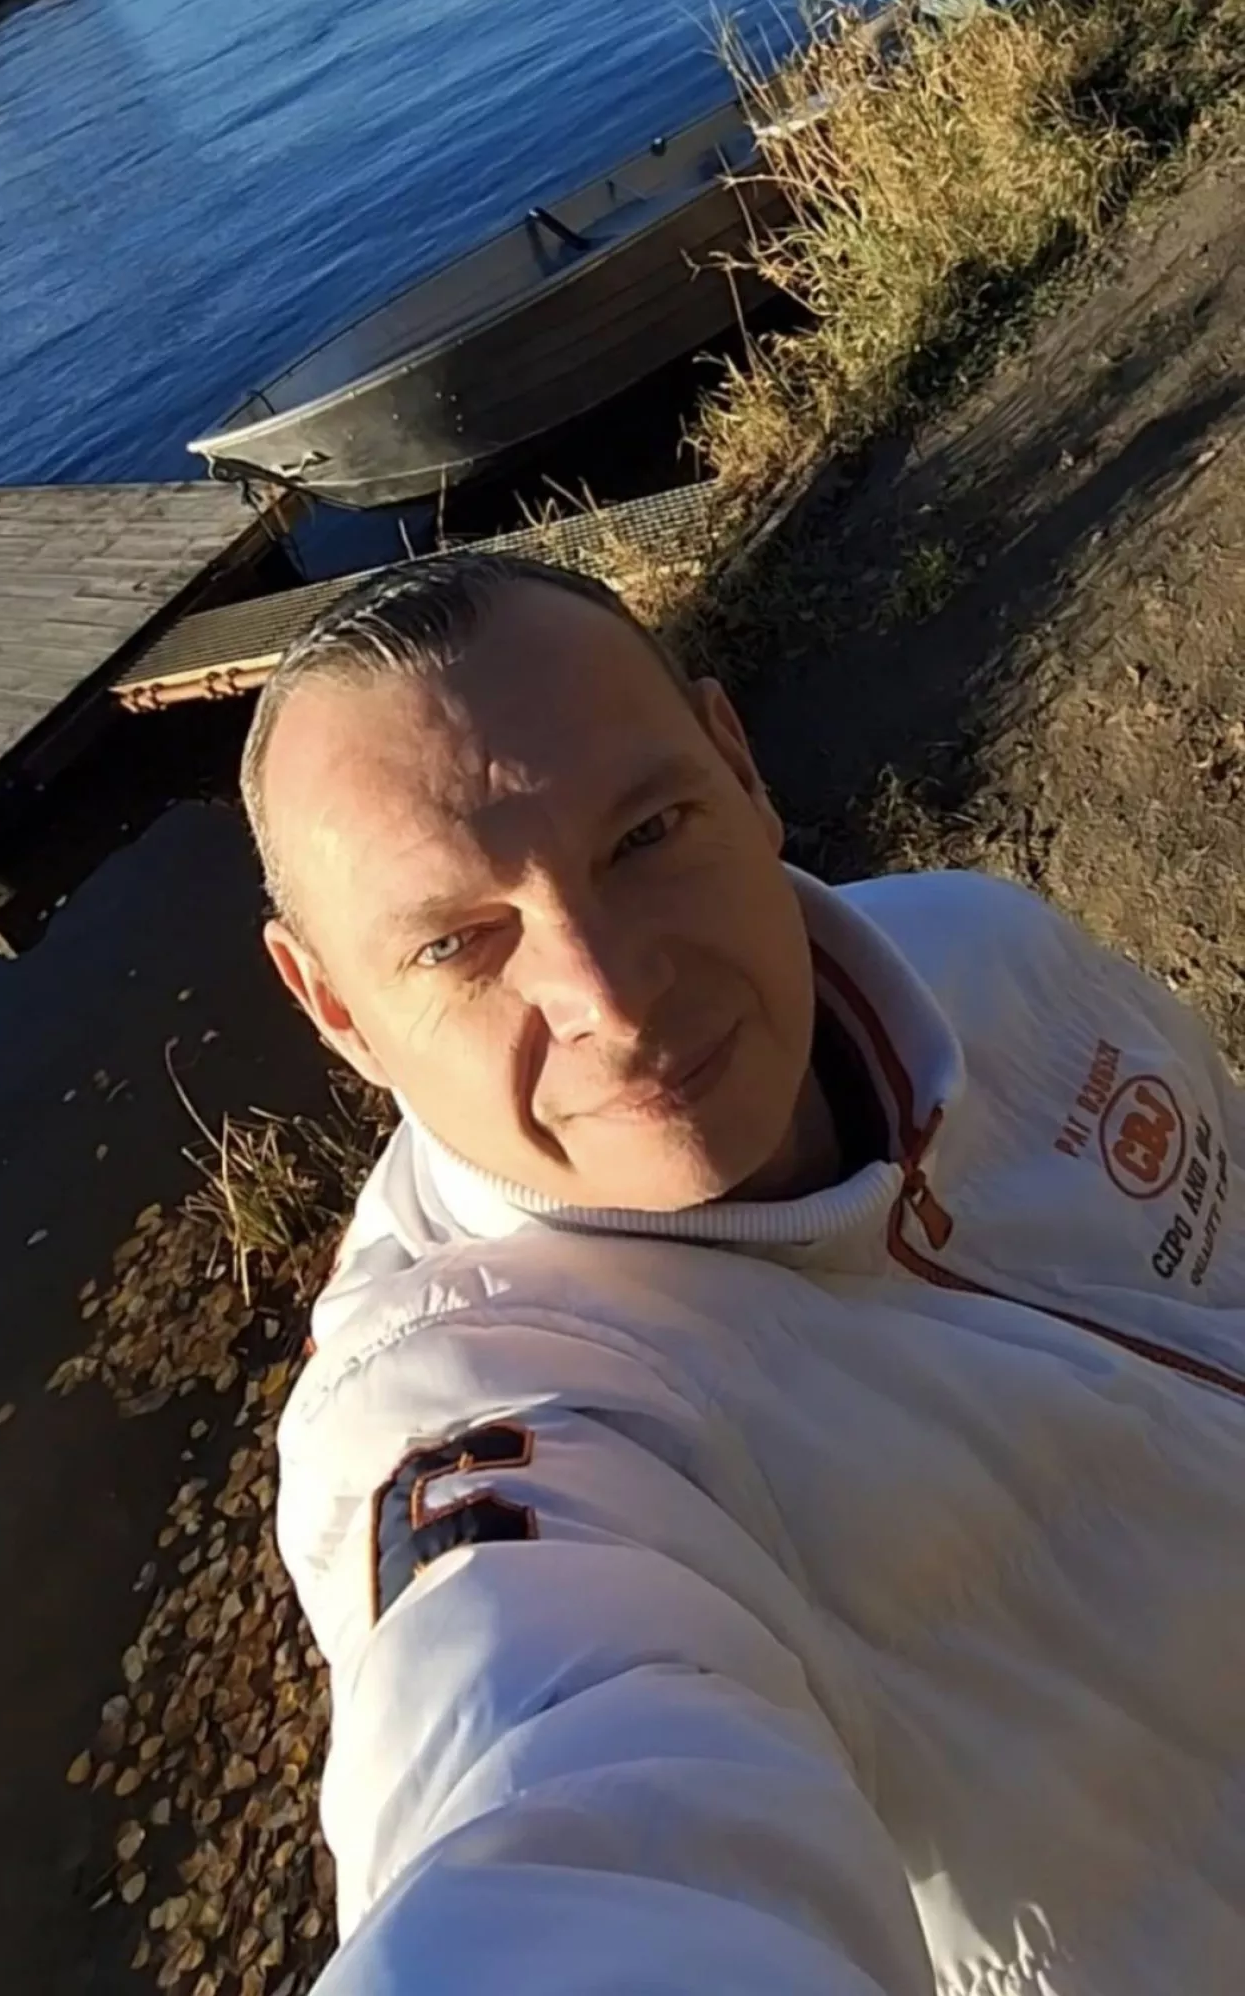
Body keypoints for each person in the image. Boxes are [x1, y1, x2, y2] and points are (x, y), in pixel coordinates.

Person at [251, 551, 1245, 1996]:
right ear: (335, 1009)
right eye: (459, 943)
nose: (609, 995)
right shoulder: (470, 1411)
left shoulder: (984, 951)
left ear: (738, 765)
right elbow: (547, 1780)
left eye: (646, 834)